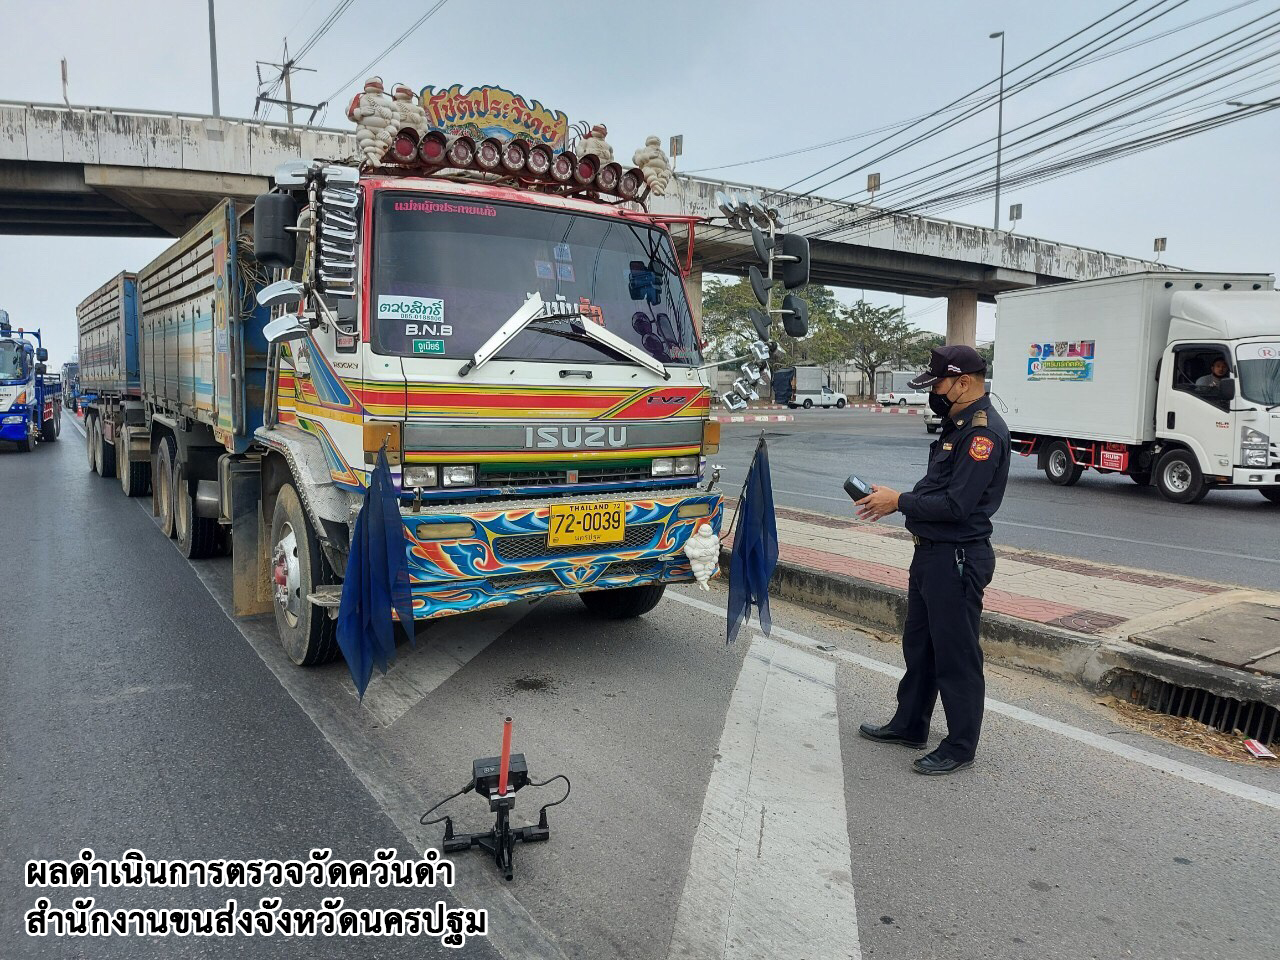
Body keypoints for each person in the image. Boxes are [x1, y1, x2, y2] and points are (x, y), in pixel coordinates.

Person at [852, 345, 1010, 776]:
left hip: (956, 559)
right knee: (919, 646)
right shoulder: (956, 426)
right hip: (930, 554)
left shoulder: (982, 434)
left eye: (938, 383)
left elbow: (958, 504)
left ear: (963, 382)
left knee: (956, 654)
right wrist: (896, 499)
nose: (933, 392)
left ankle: (960, 745)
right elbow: (935, 489)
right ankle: (909, 724)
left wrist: (898, 501)